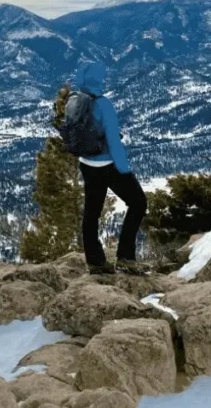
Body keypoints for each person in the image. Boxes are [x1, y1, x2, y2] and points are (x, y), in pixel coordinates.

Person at [72, 62, 148, 275]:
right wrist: (123, 169)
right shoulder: (103, 104)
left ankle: (95, 262)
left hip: (86, 164)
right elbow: (113, 140)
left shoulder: (75, 99)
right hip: (107, 165)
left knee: (91, 212)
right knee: (138, 203)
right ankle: (125, 257)